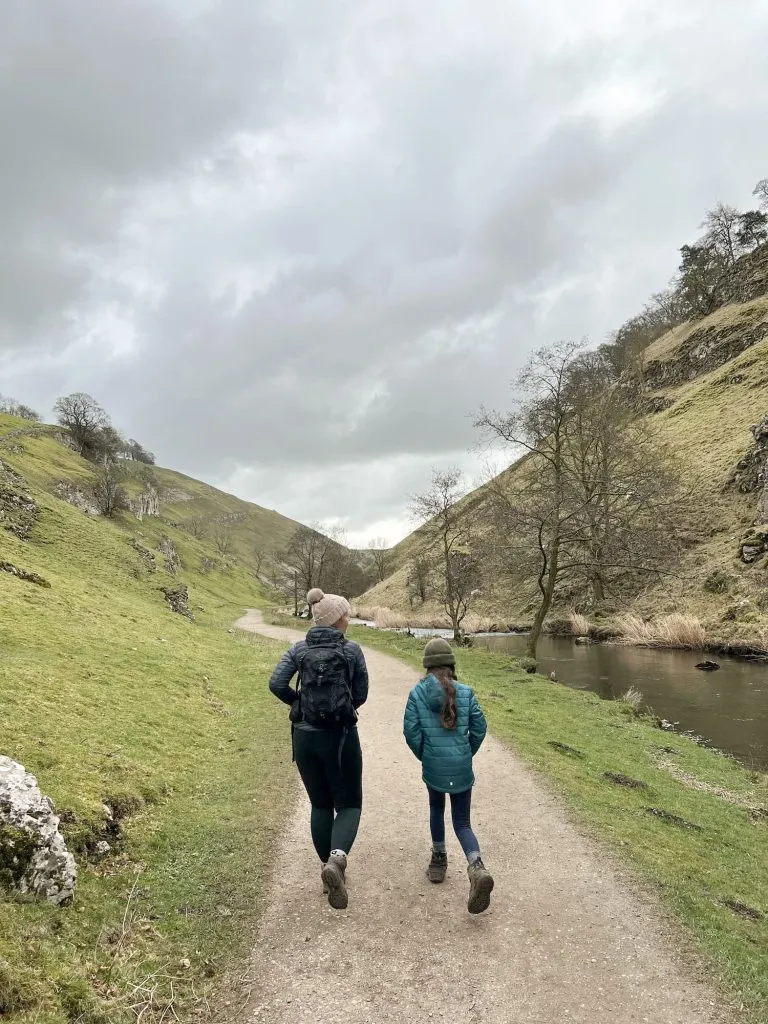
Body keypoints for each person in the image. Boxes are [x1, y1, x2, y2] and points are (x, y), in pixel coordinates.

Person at [268, 588, 368, 910]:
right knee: (349, 803)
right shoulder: (352, 651)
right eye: (346, 615)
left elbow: (276, 683)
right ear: (337, 619)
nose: (348, 619)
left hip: (305, 737)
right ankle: (337, 862)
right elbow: (361, 695)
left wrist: (300, 704)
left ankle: (327, 865)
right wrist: (341, 706)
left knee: (320, 804)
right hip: (340, 738)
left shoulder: (298, 650)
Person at [403, 637, 494, 914]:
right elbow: (480, 728)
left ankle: (438, 862)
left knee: (435, 809)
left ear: (427, 667)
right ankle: (476, 867)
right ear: (451, 665)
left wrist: (427, 756)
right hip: (461, 765)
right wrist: (466, 753)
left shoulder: (417, 694)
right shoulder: (466, 692)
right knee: (462, 822)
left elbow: (411, 732)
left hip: (434, 766)